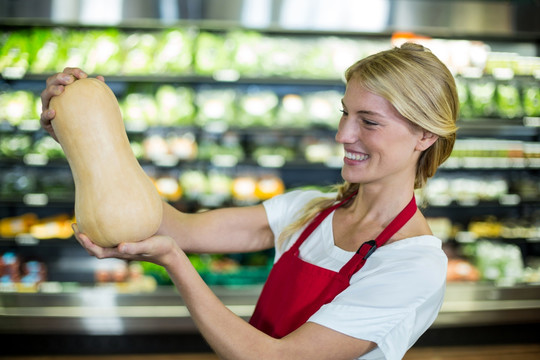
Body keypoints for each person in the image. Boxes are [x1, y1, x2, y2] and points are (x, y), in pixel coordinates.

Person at [40, 42, 458, 360]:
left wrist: (174, 263)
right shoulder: (310, 210)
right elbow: (177, 227)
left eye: (368, 122)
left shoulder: (412, 263)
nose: (343, 135)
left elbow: (276, 357)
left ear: (425, 135)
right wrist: (86, 139)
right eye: (344, 113)